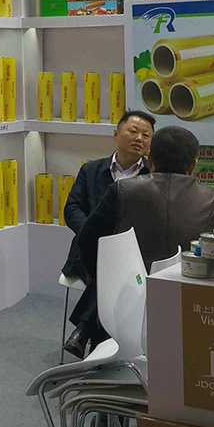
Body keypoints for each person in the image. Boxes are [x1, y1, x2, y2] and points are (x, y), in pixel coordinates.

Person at [62, 110, 155, 359]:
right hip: (89, 251)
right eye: (133, 131)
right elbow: (72, 208)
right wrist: (91, 232)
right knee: (114, 274)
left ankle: (84, 332)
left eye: (146, 135)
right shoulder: (90, 170)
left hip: (131, 253)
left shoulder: (152, 177)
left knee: (116, 272)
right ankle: (102, 347)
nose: (139, 138)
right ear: (116, 134)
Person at [77, 125, 214, 284]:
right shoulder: (212, 197)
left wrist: (105, 280)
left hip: (128, 287)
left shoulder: (122, 190)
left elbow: (87, 240)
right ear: (193, 165)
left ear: (150, 159)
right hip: (190, 288)